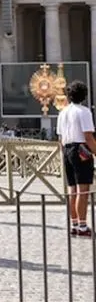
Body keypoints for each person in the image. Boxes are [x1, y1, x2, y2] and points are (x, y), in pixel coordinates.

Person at [59, 80, 96, 237]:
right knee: (83, 190)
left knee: (72, 189)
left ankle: (74, 224)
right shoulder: (84, 112)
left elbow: (60, 138)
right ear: (84, 96)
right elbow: (88, 136)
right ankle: (82, 225)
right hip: (81, 149)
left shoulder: (62, 112)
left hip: (67, 149)